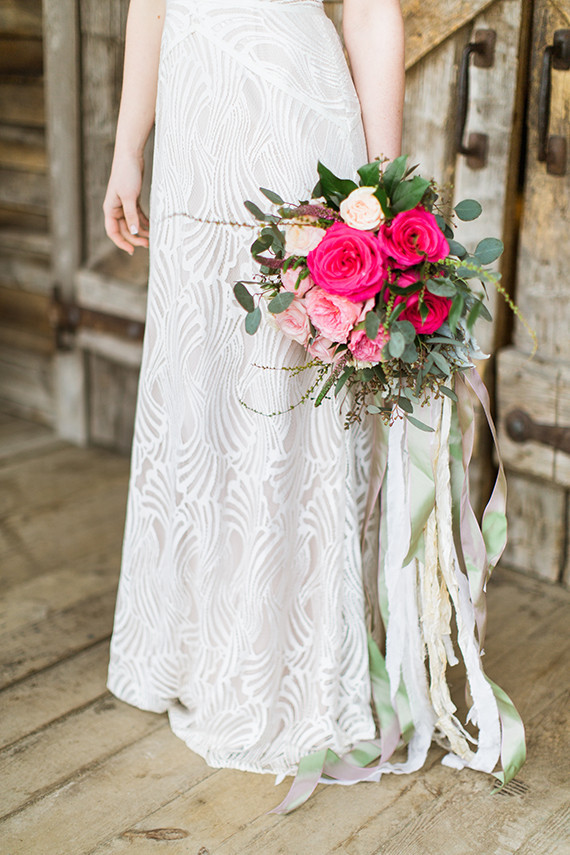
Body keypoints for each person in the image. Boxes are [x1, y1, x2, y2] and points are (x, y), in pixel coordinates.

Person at [103, 0, 405, 806]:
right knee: (201, 383)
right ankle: (202, 650)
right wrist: (130, 146)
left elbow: (374, 14)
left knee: (281, 384)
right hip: (196, 125)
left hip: (292, 112)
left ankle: (277, 669)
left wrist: (382, 192)